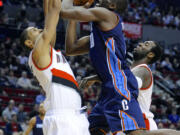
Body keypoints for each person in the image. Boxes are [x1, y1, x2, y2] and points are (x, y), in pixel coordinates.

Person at [61, 1, 180, 133]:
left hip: (120, 89)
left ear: (112, 5)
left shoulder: (107, 15)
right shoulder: (98, 34)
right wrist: (74, 16)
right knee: (92, 131)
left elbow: (64, 11)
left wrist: (70, 3)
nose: (99, 0)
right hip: (109, 89)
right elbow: (71, 49)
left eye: (146, 44)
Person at [20, 0, 90, 135]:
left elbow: (48, 15)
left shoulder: (48, 51)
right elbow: (52, 14)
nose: (39, 29)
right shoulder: (37, 53)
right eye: (34, 30)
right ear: (29, 42)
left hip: (76, 116)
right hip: (62, 117)